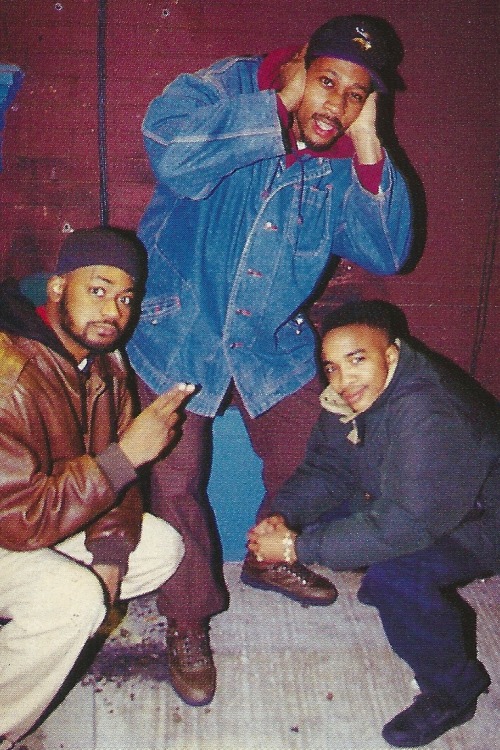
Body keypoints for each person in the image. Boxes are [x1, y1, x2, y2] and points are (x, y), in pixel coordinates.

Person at [126, 14, 414, 706]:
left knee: (314, 451)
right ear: (300, 64)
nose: (335, 105)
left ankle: (266, 557)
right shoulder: (220, 88)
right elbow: (169, 151)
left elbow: (389, 251)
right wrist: (276, 105)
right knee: (174, 481)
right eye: (326, 82)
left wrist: (371, 140)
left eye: (355, 93)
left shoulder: (346, 152)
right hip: (178, 331)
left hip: (268, 340)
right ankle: (187, 620)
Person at [247, 299, 499, 747]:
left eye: (356, 360)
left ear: (392, 355)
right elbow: (328, 468)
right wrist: (281, 517)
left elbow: (407, 524)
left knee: (397, 576)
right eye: (331, 367)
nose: (342, 380)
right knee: (337, 525)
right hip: (422, 500)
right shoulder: (353, 394)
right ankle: (390, 589)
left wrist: (292, 549)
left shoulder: (429, 409)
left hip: (484, 516)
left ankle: (454, 692)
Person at [0, 227, 196, 749]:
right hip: (12, 525)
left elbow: (120, 479)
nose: (113, 311)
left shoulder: (105, 361)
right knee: (72, 600)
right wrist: (126, 454)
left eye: (126, 297)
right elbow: (19, 520)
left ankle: (35, 642)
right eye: (98, 290)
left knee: (158, 550)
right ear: (58, 288)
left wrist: (109, 556)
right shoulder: (8, 372)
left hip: (38, 516)